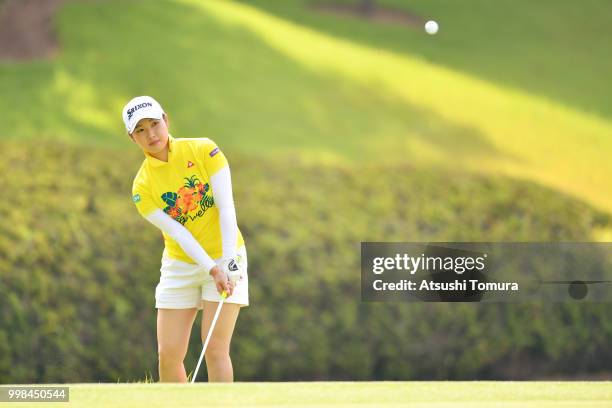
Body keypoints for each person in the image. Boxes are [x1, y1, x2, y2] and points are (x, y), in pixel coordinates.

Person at [123, 95, 248, 383]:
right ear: (132, 138)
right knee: (168, 356)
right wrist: (211, 269)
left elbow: (226, 207)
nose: (150, 134)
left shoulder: (205, 150)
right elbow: (179, 232)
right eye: (140, 130)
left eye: (154, 124)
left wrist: (226, 262)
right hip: (181, 262)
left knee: (215, 348)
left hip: (226, 253)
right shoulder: (142, 187)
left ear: (166, 120)